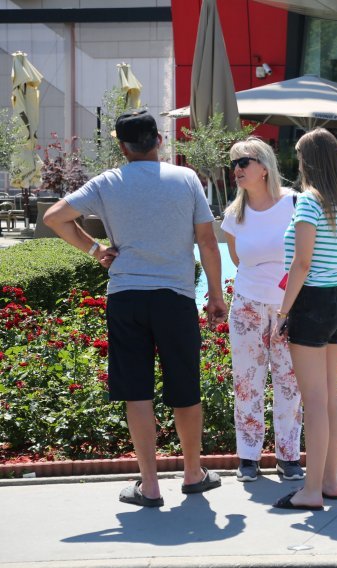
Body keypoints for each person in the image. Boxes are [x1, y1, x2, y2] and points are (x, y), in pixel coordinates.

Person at [43, 109, 225, 507]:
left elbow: (55, 217)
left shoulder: (108, 182)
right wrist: (215, 295)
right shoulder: (186, 178)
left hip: (126, 296)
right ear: (159, 140)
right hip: (175, 297)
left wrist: (95, 250)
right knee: (185, 387)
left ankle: (150, 485)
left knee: (136, 392)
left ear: (122, 147)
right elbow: (208, 243)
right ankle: (193, 474)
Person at [272, 128, 337, 510]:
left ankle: (309, 492)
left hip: (312, 303)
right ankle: (329, 481)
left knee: (314, 400)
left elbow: (302, 263)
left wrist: (283, 311)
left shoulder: (309, 202)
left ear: (309, 160)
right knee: (332, 395)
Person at [221, 137, 303, 483]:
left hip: (289, 307)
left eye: (244, 162)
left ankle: (288, 456)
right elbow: (238, 261)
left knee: (289, 384)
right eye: (234, 164)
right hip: (247, 306)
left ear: (264, 166)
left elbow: (305, 258)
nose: (236, 169)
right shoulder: (233, 214)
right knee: (246, 384)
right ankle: (249, 457)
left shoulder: (295, 204)